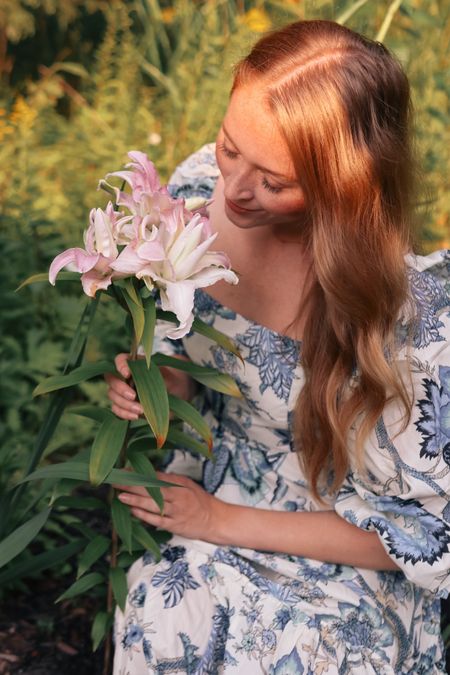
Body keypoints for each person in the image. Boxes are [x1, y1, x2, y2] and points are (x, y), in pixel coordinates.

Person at [108, 19, 450, 674]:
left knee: (288, 646)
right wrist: (152, 385)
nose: (232, 190)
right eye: (230, 146)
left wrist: (216, 519)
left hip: (335, 537)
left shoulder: (409, 326)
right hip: (204, 477)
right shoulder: (188, 197)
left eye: (274, 179)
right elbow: (175, 363)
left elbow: (415, 534)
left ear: (343, 186)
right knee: (168, 602)